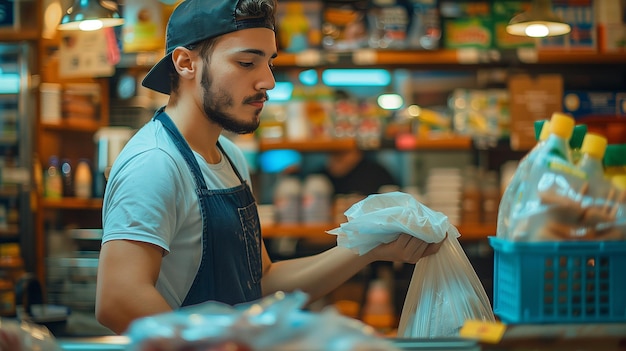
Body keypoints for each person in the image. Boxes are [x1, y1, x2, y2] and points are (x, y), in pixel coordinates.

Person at [95, 0, 444, 335]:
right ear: (186, 63)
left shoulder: (228, 156)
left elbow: (262, 281)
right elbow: (119, 300)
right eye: (247, 63)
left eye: (269, 63)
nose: (268, 82)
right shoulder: (155, 163)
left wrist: (369, 246)